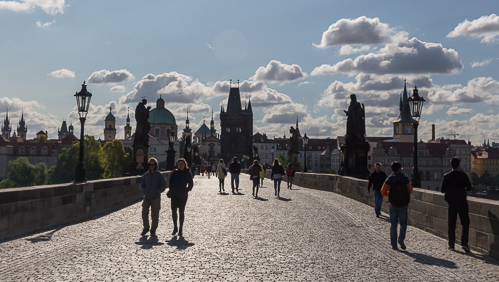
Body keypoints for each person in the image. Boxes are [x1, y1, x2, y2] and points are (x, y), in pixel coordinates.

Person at [441, 157, 473, 253]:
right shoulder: (463, 175)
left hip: (451, 202)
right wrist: (462, 189)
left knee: (451, 223)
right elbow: (469, 188)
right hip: (462, 201)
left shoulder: (447, 176)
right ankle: (464, 243)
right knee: (465, 223)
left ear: (451, 165)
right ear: (459, 165)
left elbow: (442, 190)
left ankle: (451, 245)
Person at [381, 161, 413, 250]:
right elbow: (410, 190)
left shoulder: (390, 178)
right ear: (400, 168)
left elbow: (383, 191)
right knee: (403, 223)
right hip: (403, 204)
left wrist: (389, 194)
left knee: (393, 224)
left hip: (392, 203)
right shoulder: (404, 178)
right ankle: (401, 238)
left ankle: (394, 245)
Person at [140, 157, 167, 237]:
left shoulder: (159, 175)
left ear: (155, 165)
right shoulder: (146, 175)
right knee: (144, 212)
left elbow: (164, 185)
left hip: (155, 198)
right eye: (150, 164)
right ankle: (146, 227)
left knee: (155, 215)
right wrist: (145, 191)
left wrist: (157, 192)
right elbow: (142, 185)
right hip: (147, 197)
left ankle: (153, 229)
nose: (151, 166)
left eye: (153, 164)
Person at [167, 158, 193, 237]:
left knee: (181, 211)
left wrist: (187, 190)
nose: (180, 165)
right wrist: (171, 189)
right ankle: (175, 227)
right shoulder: (174, 173)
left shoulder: (187, 173)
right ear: (177, 165)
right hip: (174, 194)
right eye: (179, 164)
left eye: (182, 164)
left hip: (183, 195)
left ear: (185, 165)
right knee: (174, 211)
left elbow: (191, 183)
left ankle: (181, 228)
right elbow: (170, 182)